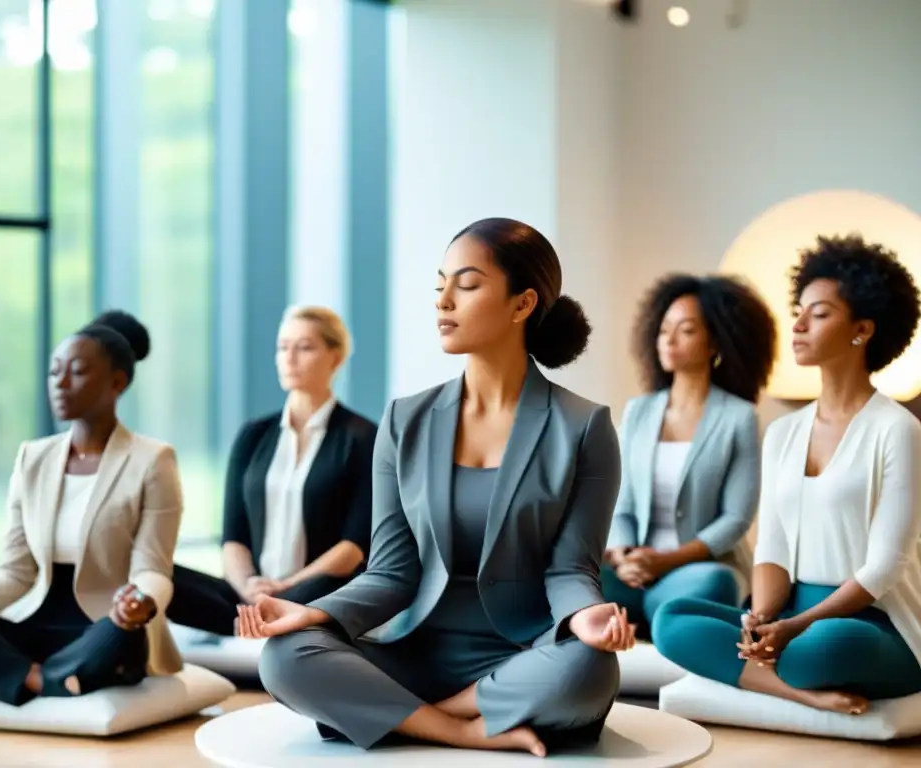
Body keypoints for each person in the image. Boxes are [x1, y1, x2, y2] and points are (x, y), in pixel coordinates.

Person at [235, 217, 636, 758]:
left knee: (589, 669)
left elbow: (571, 569)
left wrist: (586, 616)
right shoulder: (405, 420)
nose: (443, 300)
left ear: (522, 304)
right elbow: (390, 572)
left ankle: (402, 713)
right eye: (440, 284)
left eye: (466, 285)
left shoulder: (583, 427)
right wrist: (317, 612)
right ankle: (459, 727)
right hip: (412, 651)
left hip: (522, 656)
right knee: (282, 657)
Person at [653, 234, 921, 716]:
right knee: (672, 620)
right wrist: (763, 618)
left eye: (818, 314)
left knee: (825, 647)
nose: (797, 325)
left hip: (873, 623)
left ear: (862, 329)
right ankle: (798, 693)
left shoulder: (898, 430)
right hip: (794, 613)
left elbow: (885, 568)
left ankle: (787, 667)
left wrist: (795, 629)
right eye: (798, 310)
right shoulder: (783, 432)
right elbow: (773, 546)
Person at [0, 311, 185, 707]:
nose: (60, 381)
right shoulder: (32, 458)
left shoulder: (153, 459)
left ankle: (7, 676)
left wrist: (139, 602)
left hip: (107, 623)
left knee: (116, 639)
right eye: (54, 371)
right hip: (37, 621)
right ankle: (50, 680)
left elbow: (153, 569)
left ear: (116, 383)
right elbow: (16, 572)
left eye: (76, 371)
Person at [167, 306, 377, 637]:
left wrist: (286, 586)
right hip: (248, 592)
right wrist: (249, 585)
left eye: (304, 347)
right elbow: (233, 536)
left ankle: (258, 622)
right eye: (283, 347)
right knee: (158, 575)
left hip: (313, 590)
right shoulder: (252, 435)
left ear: (335, 358)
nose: (289, 357)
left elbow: (352, 549)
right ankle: (254, 621)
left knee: (328, 588)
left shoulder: (364, 438)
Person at [603, 274, 777, 637]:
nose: (669, 339)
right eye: (664, 328)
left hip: (694, 570)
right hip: (632, 570)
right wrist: (623, 558)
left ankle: (646, 620)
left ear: (714, 341)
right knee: (565, 571)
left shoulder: (738, 417)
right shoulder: (639, 411)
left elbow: (735, 519)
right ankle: (654, 620)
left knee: (717, 584)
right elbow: (620, 503)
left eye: (685, 330)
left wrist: (663, 562)